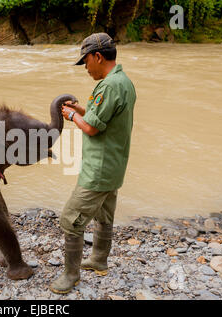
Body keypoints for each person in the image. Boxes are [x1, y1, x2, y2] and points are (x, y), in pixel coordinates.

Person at [50, 33, 136, 294]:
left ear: (98, 57)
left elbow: (92, 129)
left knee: (70, 220)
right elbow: (102, 116)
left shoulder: (108, 86)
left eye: (86, 61)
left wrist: (71, 116)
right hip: (114, 166)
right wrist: (80, 109)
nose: (86, 68)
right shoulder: (124, 82)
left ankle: (70, 275)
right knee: (104, 215)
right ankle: (99, 260)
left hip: (97, 171)